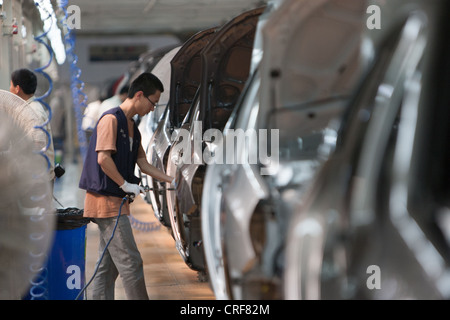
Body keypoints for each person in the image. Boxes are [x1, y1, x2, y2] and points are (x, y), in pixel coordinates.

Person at [79, 72, 175, 300]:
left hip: (117, 201)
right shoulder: (110, 120)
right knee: (131, 262)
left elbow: (142, 163)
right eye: (153, 102)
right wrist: (125, 185)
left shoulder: (133, 126)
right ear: (139, 95)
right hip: (106, 202)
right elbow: (103, 158)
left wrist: (172, 180)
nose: (153, 108)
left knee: (108, 266)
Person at [9, 68, 55, 182]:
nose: (9, 89)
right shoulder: (27, 108)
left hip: (37, 179)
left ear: (17, 89)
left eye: (10, 85)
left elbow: (37, 145)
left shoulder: (33, 112)